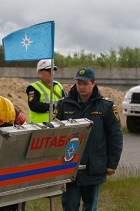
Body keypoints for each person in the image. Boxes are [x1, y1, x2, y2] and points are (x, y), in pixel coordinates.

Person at [53, 67, 123, 211]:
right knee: (69, 204)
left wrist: (112, 163)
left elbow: (115, 136)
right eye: (79, 83)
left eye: (85, 83)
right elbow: (55, 134)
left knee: (90, 206)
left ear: (93, 83)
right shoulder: (64, 104)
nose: (82, 87)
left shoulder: (106, 106)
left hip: (94, 166)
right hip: (69, 165)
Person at [26, 59, 66, 123]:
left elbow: (66, 101)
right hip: (40, 126)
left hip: (57, 124)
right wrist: (52, 106)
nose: (51, 72)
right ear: (40, 72)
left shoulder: (59, 85)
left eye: (53, 69)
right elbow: (33, 105)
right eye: (48, 70)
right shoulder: (34, 88)